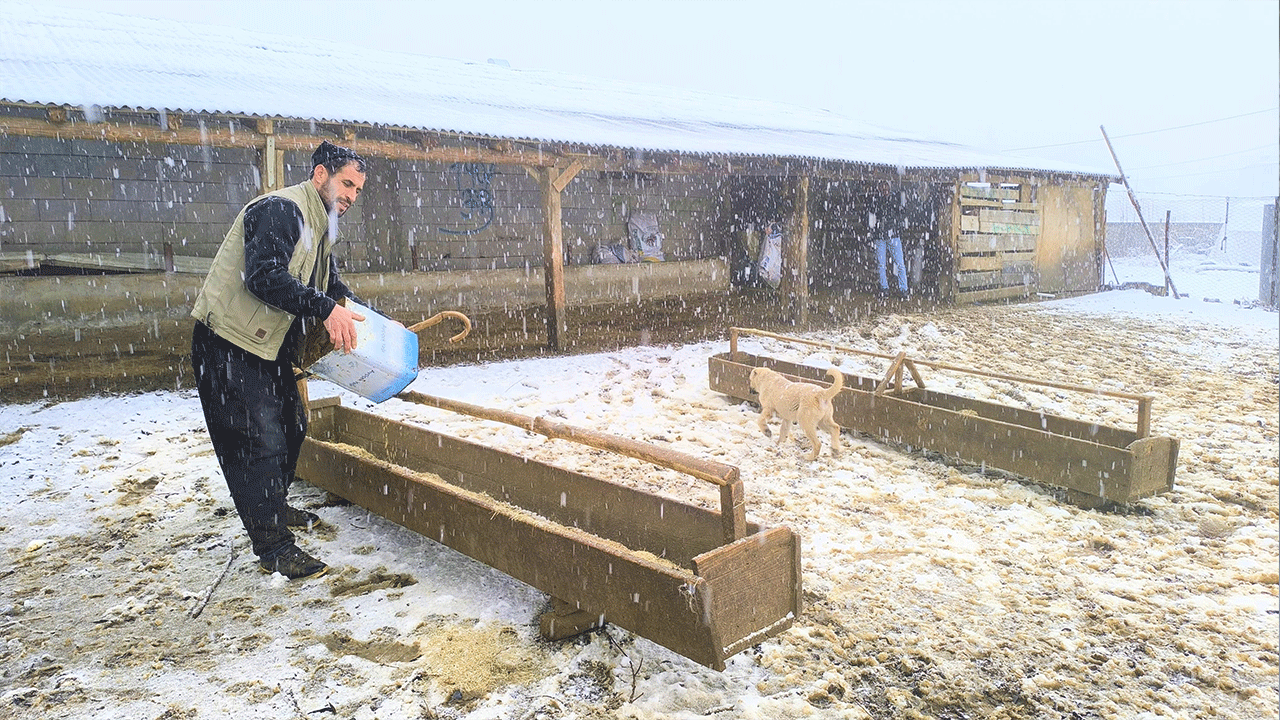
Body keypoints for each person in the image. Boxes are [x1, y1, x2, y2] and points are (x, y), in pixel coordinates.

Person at [190, 140, 369, 580]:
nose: (351, 196)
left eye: (357, 190)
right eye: (347, 183)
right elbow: (263, 276)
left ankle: (273, 505)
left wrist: (371, 319)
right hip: (228, 342)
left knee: (292, 425)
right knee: (257, 441)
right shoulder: (281, 210)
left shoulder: (321, 223)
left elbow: (330, 286)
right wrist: (324, 309)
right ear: (320, 174)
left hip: (266, 343)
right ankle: (273, 547)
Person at [870, 180, 910, 298]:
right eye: (882, 187)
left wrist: (895, 225)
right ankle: (884, 288)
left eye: (886, 186)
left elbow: (903, 213)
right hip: (881, 236)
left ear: (889, 187)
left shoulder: (895, 199)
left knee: (899, 264)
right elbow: (871, 218)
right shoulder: (876, 201)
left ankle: (903, 290)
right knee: (882, 264)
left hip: (893, 235)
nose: (884, 189)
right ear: (879, 188)